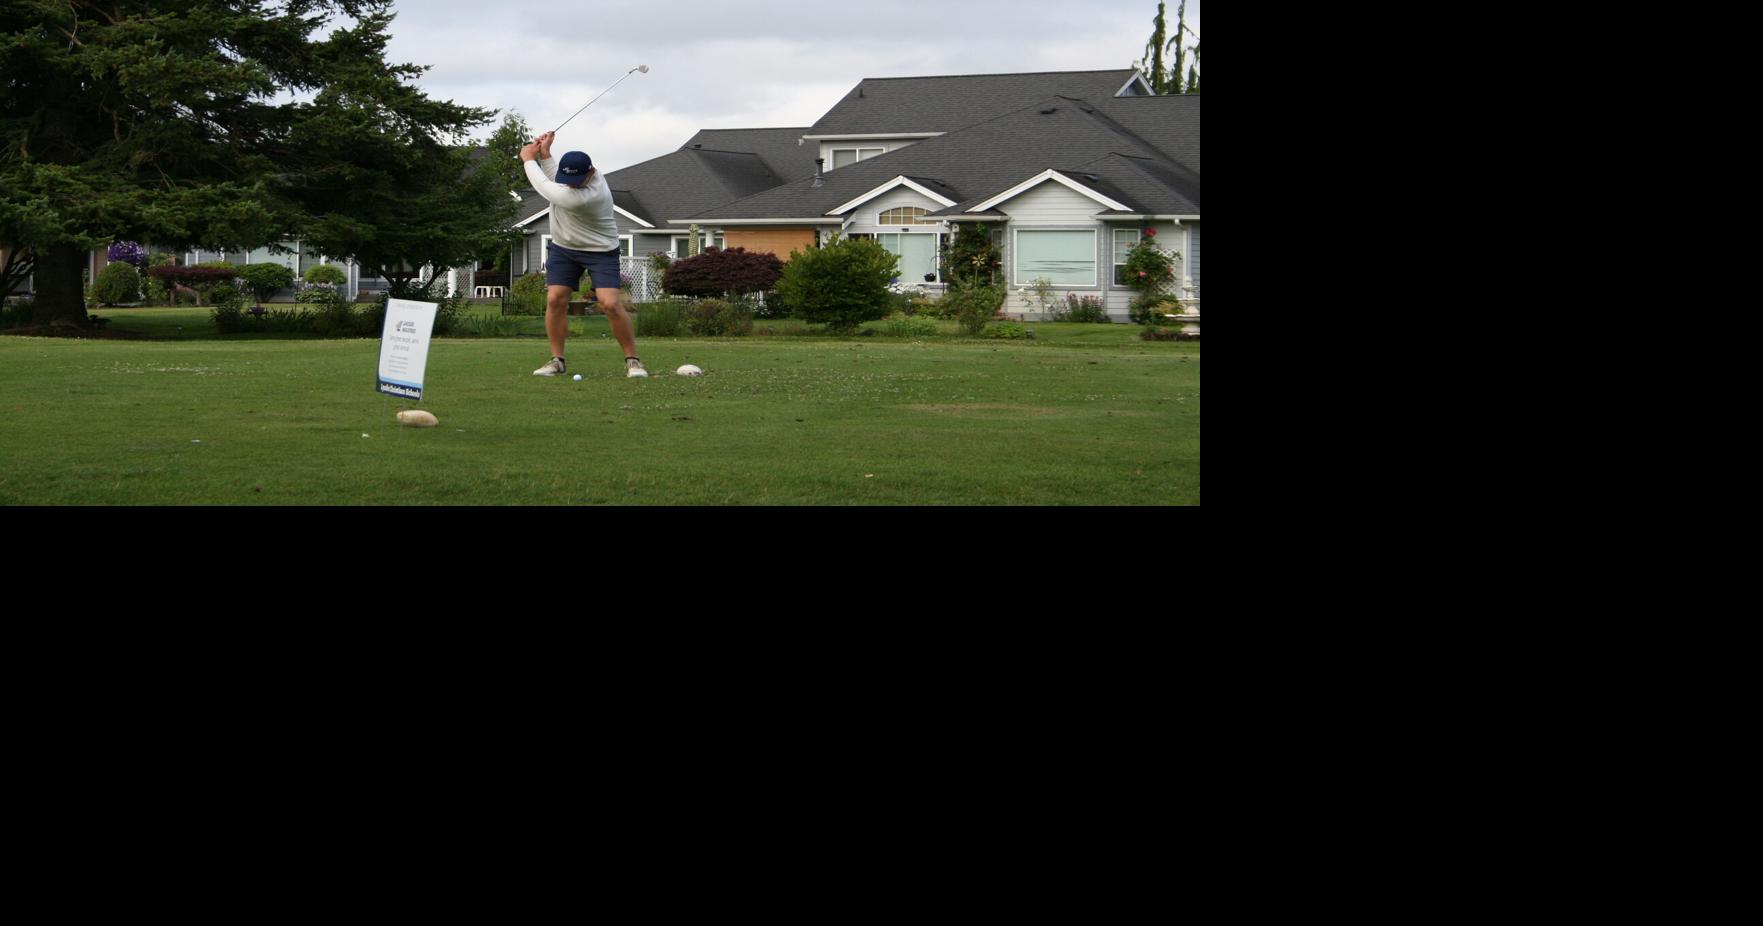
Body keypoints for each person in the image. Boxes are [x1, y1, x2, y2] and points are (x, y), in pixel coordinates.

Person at [520, 131, 646, 378]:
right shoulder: (570, 182)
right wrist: (545, 155)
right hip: (564, 247)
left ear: (591, 172)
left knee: (610, 303)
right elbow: (556, 180)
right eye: (569, 179)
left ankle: (633, 360)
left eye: (578, 179)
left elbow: (546, 187)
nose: (572, 183)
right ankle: (557, 360)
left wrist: (528, 158)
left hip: (600, 250)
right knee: (555, 299)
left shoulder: (590, 194)